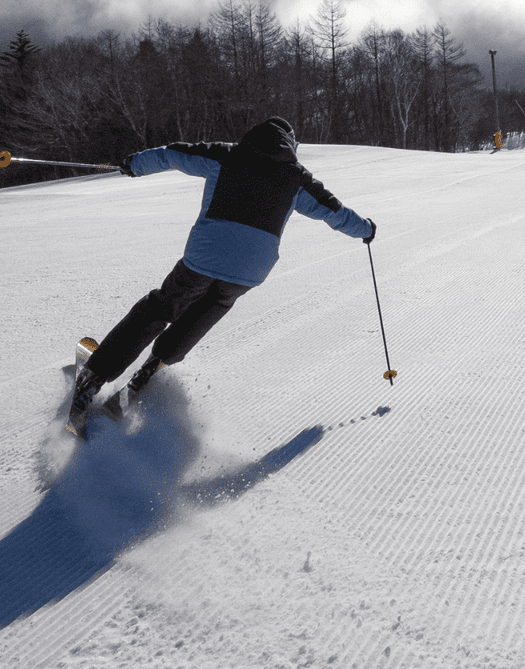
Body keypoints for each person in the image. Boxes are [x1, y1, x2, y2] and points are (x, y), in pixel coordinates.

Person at [68, 115, 374, 434]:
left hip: (205, 256)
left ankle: (90, 381)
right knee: (206, 310)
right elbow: (335, 212)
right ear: (291, 144)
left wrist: (133, 165)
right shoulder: (297, 178)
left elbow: (173, 153)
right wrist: (366, 229)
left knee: (159, 309)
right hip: (249, 270)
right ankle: (145, 375)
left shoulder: (227, 154)